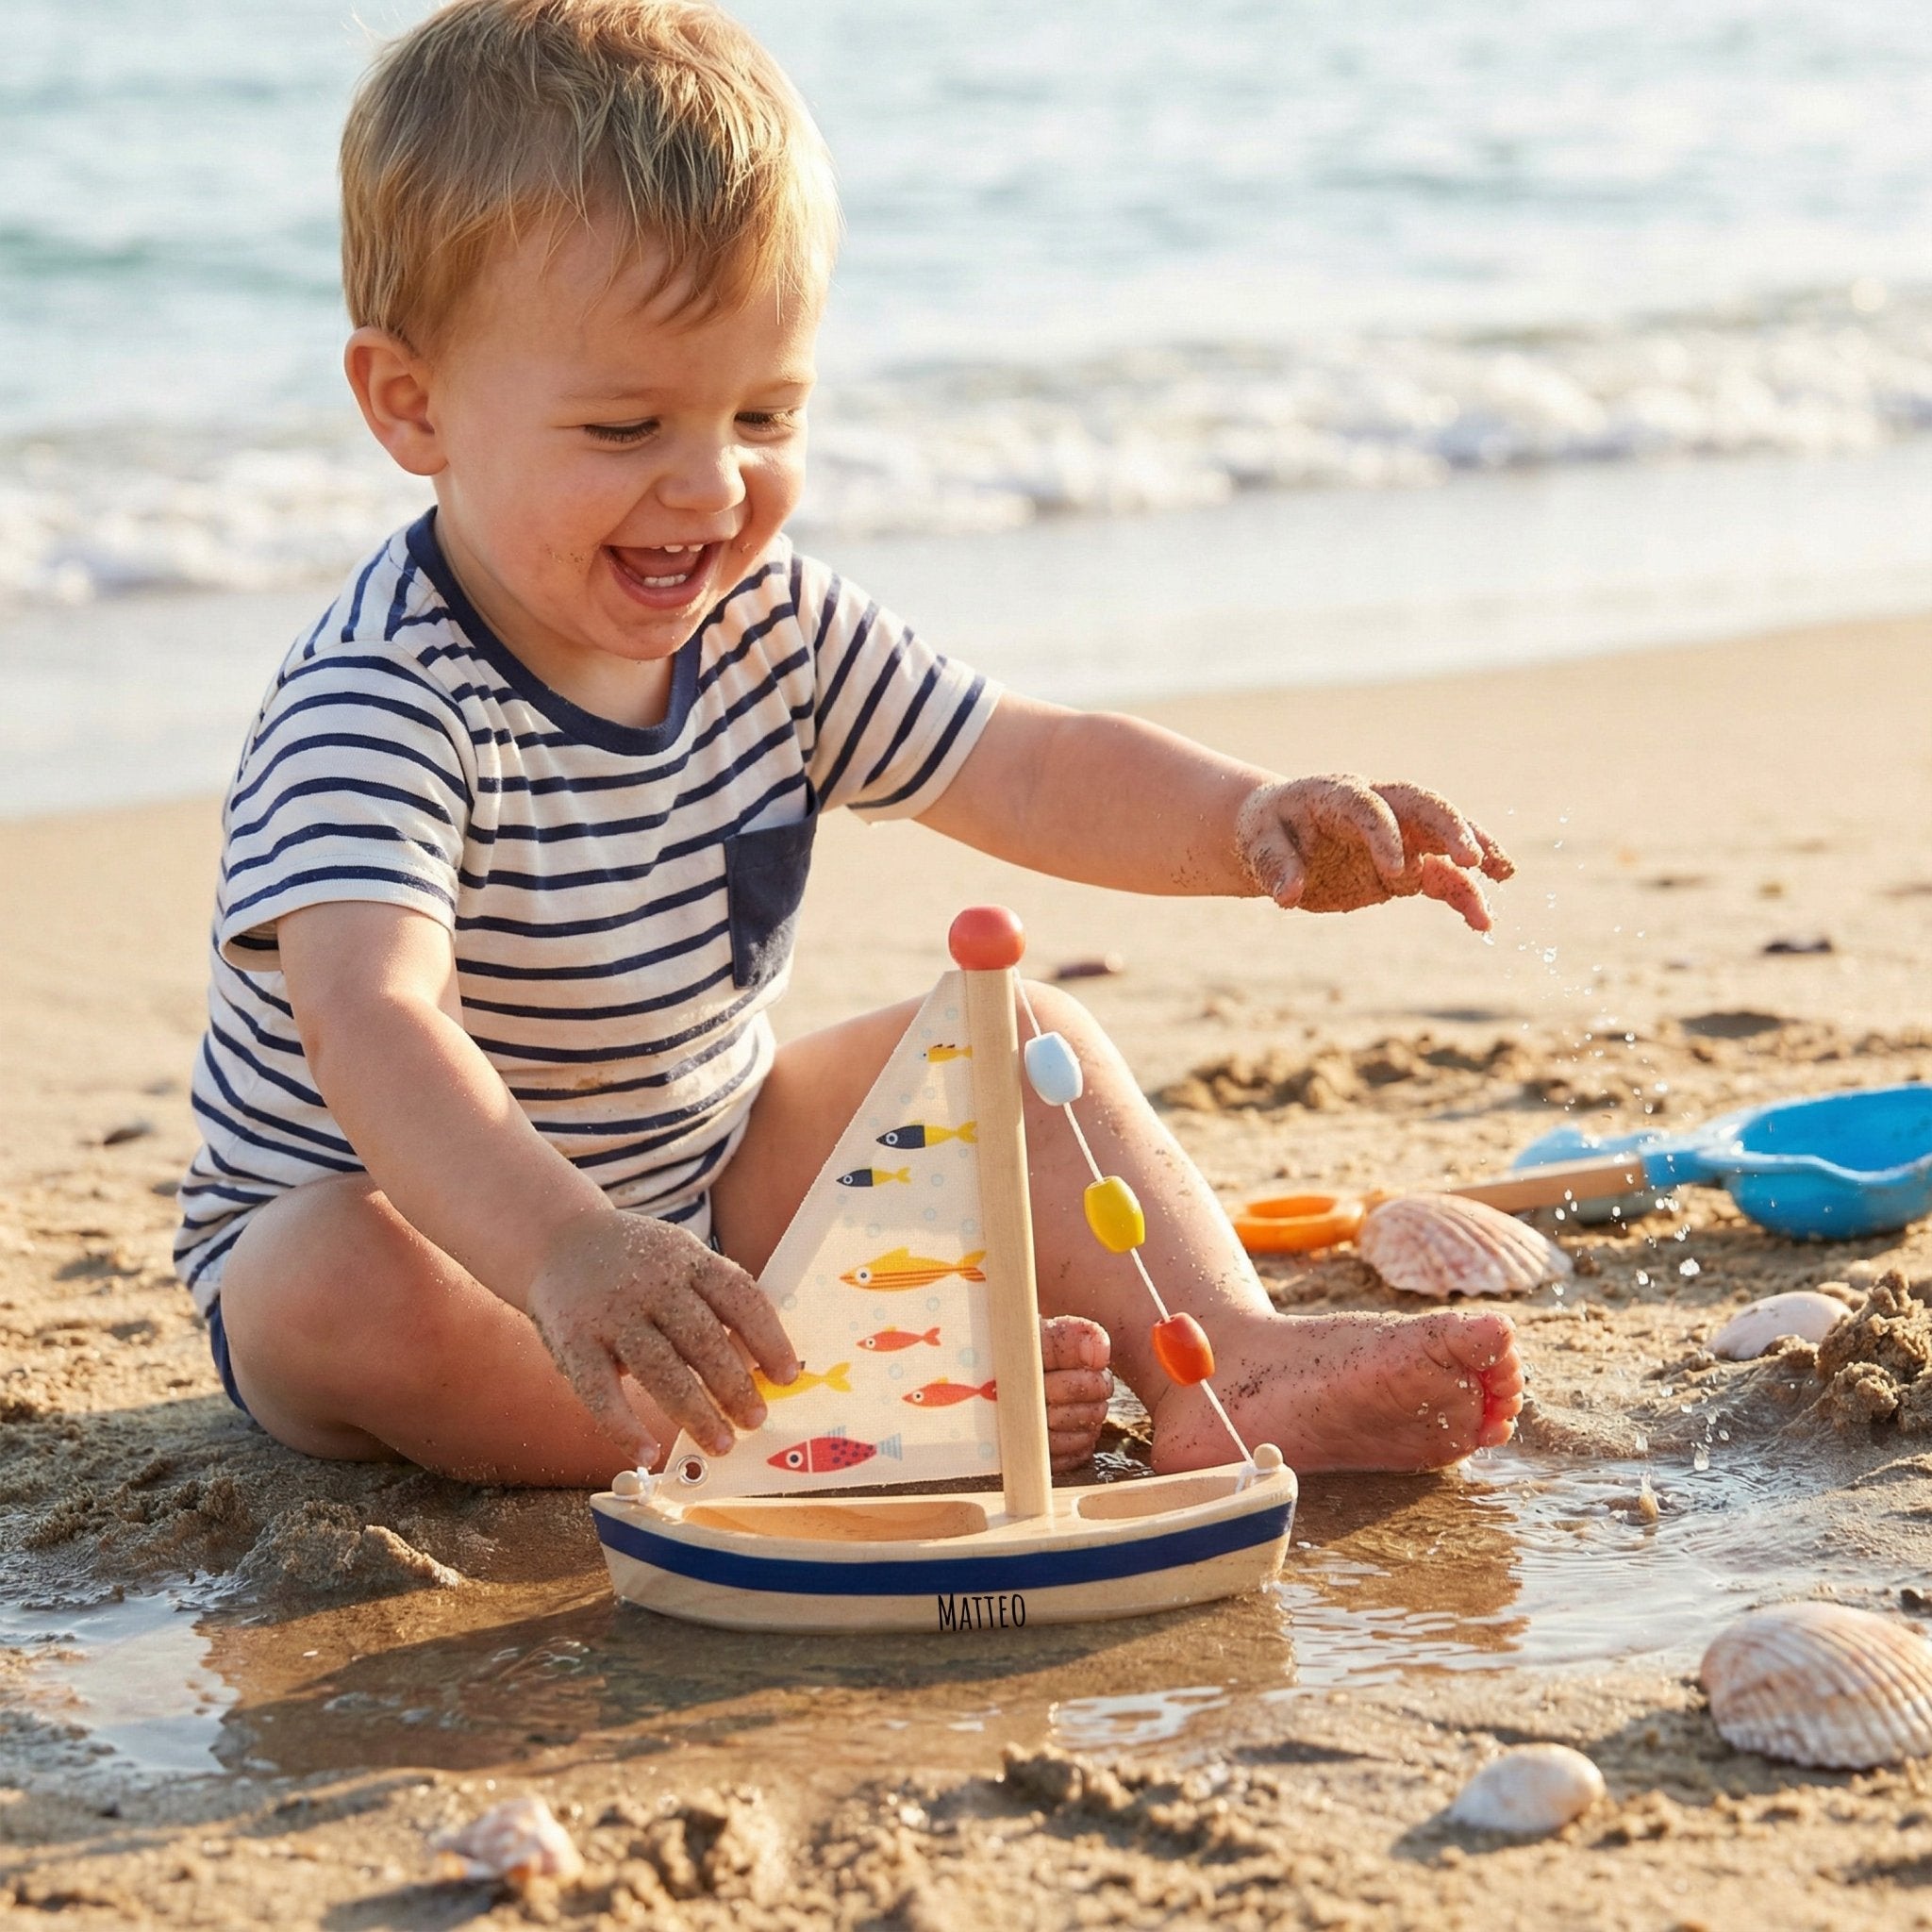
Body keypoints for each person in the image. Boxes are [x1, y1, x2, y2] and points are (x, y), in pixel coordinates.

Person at [175, 0, 1523, 1488]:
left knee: (1024, 1040)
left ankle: (1228, 1363)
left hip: (710, 1185)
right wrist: (564, 1249)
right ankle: (830, 1428)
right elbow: (372, 1020)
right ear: (411, 405)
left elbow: (1025, 765)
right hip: (451, 1246)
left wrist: (1247, 818)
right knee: (323, 1278)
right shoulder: (379, 700)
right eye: (624, 429)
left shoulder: (772, 624)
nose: (712, 486)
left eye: (766, 414)